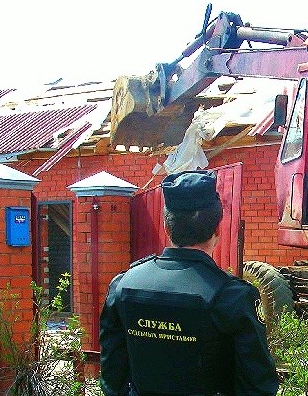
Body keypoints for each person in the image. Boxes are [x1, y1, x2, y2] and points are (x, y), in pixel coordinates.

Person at [99, 170, 279, 396]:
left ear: (166, 227)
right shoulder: (233, 297)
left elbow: (112, 377)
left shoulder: (122, 286)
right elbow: (257, 385)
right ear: (217, 229)